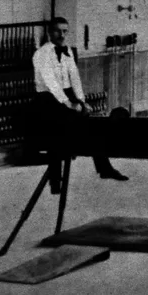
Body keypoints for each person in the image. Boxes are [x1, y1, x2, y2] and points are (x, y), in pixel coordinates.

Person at [31, 16, 127, 192]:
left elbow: (74, 78)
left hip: (66, 96)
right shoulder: (41, 54)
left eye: (65, 31)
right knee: (58, 130)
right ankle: (55, 180)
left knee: (92, 124)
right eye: (58, 31)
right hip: (47, 99)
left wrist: (82, 101)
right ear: (49, 32)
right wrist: (68, 103)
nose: (62, 35)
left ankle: (104, 168)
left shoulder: (67, 51)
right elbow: (51, 83)